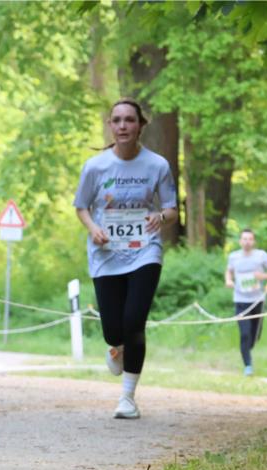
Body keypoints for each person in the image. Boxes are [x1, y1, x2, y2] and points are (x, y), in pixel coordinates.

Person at [74, 98, 178, 419]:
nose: (122, 126)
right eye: (117, 120)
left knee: (134, 323)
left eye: (129, 120)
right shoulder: (96, 167)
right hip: (106, 253)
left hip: (145, 251)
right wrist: (93, 229)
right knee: (112, 331)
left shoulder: (157, 165)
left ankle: (128, 398)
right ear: (110, 125)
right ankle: (115, 347)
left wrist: (161, 217)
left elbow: (173, 209)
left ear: (140, 125)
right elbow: (81, 207)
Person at [225, 229, 267, 376]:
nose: (247, 241)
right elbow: (229, 271)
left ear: (253, 241)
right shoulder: (233, 257)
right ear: (240, 241)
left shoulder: (261, 256)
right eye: (244, 239)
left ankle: (247, 350)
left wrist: (262, 276)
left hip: (257, 302)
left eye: (250, 239)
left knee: (255, 336)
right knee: (245, 334)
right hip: (240, 301)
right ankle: (248, 366)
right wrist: (228, 280)